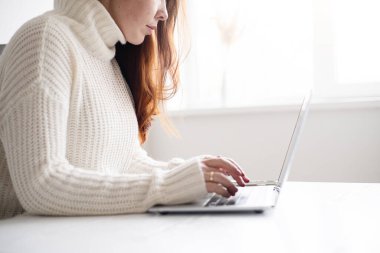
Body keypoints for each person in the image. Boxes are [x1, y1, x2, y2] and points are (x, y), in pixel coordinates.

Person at [0, 0, 250, 219]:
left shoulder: (106, 59)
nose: (164, 13)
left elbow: (125, 161)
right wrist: (167, 186)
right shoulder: (44, 39)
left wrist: (187, 172)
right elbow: (42, 183)